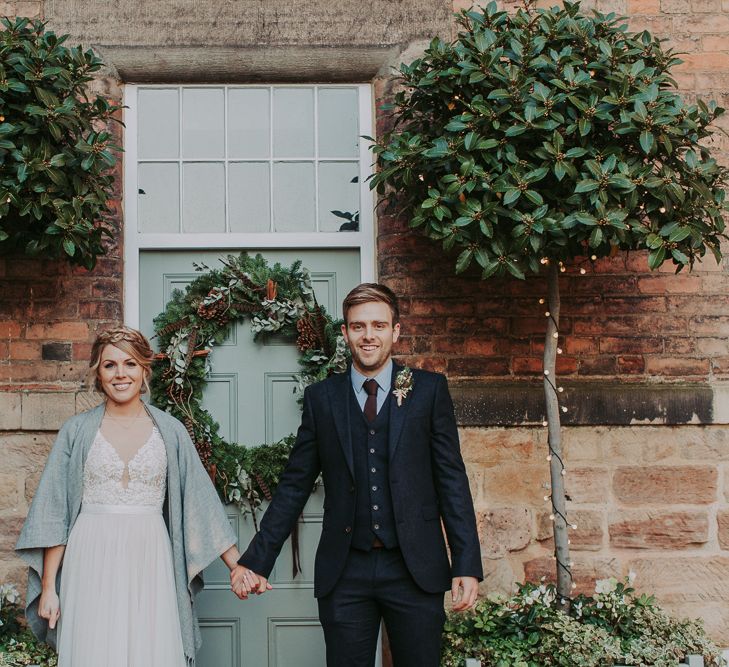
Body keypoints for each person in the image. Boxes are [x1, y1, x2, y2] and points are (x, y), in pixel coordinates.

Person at [231, 283, 483, 667]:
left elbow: (451, 479)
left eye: (379, 326)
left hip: (415, 569)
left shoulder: (428, 390)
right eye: (359, 326)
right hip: (345, 570)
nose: (369, 335)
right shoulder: (322, 398)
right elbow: (295, 485)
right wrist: (256, 560)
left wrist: (465, 563)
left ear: (395, 331)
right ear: (346, 332)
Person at [16, 326, 250, 667]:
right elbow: (56, 512)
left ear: (144, 369)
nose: (120, 374)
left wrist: (237, 566)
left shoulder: (170, 431)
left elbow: (200, 502)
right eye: (110, 365)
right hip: (90, 556)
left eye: (130, 364)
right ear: (98, 372)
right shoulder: (77, 431)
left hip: (150, 557)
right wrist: (49, 587)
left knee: (149, 649)